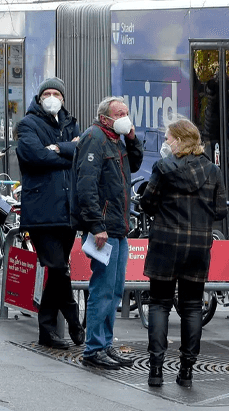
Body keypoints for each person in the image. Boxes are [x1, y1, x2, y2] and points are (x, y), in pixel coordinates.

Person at [140, 118, 227, 388]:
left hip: (165, 244)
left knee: (159, 304)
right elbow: (221, 210)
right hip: (198, 247)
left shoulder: (163, 168)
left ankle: (155, 370)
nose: (165, 143)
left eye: (168, 138)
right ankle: (187, 371)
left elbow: (148, 203)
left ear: (179, 140)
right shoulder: (212, 171)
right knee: (191, 307)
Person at [71, 96, 143, 369]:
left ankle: (105, 344)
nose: (126, 116)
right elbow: (86, 185)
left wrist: (133, 138)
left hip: (117, 226)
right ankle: (94, 349)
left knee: (114, 290)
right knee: (102, 289)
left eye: (127, 112)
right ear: (105, 118)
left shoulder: (115, 140)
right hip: (104, 228)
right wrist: (96, 225)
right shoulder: (95, 139)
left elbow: (133, 166)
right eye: (121, 113)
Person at [15, 77, 83, 349]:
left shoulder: (71, 124)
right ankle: (74, 319)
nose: (52, 97)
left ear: (63, 99)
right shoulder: (27, 124)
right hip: (41, 210)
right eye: (48, 93)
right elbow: (34, 157)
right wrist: (67, 152)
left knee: (58, 271)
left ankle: (47, 330)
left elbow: (81, 153)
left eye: (57, 93)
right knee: (56, 267)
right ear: (40, 97)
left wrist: (58, 148)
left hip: (67, 211)